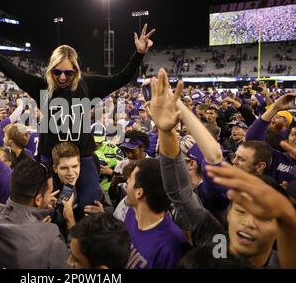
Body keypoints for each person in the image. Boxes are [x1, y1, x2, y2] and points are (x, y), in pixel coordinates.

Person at [0, 18, 155, 210]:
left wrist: (139, 53)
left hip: (81, 158)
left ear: (77, 70)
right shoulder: (42, 89)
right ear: (50, 70)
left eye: (68, 72)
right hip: (52, 162)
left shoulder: (88, 87)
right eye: (57, 72)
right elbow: (11, 69)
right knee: (53, 205)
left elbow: (121, 78)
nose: (63, 77)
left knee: (88, 205)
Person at [149, 68, 296, 268]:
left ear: (279, 225)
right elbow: (179, 192)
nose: (249, 223)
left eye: (263, 216)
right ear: (229, 213)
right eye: (241, 211)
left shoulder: (285, 261)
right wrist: (166, 132)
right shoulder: (219, 244)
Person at [0, 159, 68, 268]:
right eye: (49, 192)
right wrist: (70, 220)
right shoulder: (50, 237)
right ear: (38, 199)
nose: (50, 196)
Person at [123, 157, 189, 269]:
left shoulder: (172, 247)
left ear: (139, 193)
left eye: (131, 178)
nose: (127, 181)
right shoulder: (131, 213)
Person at [51, 142, 113, 237]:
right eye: (64, 168)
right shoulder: (48, 191)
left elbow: (110, 210)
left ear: (80, 165)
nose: (71, 173)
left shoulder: (91, 184)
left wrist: (102, 213)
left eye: (75, 166)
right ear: (55, 168)